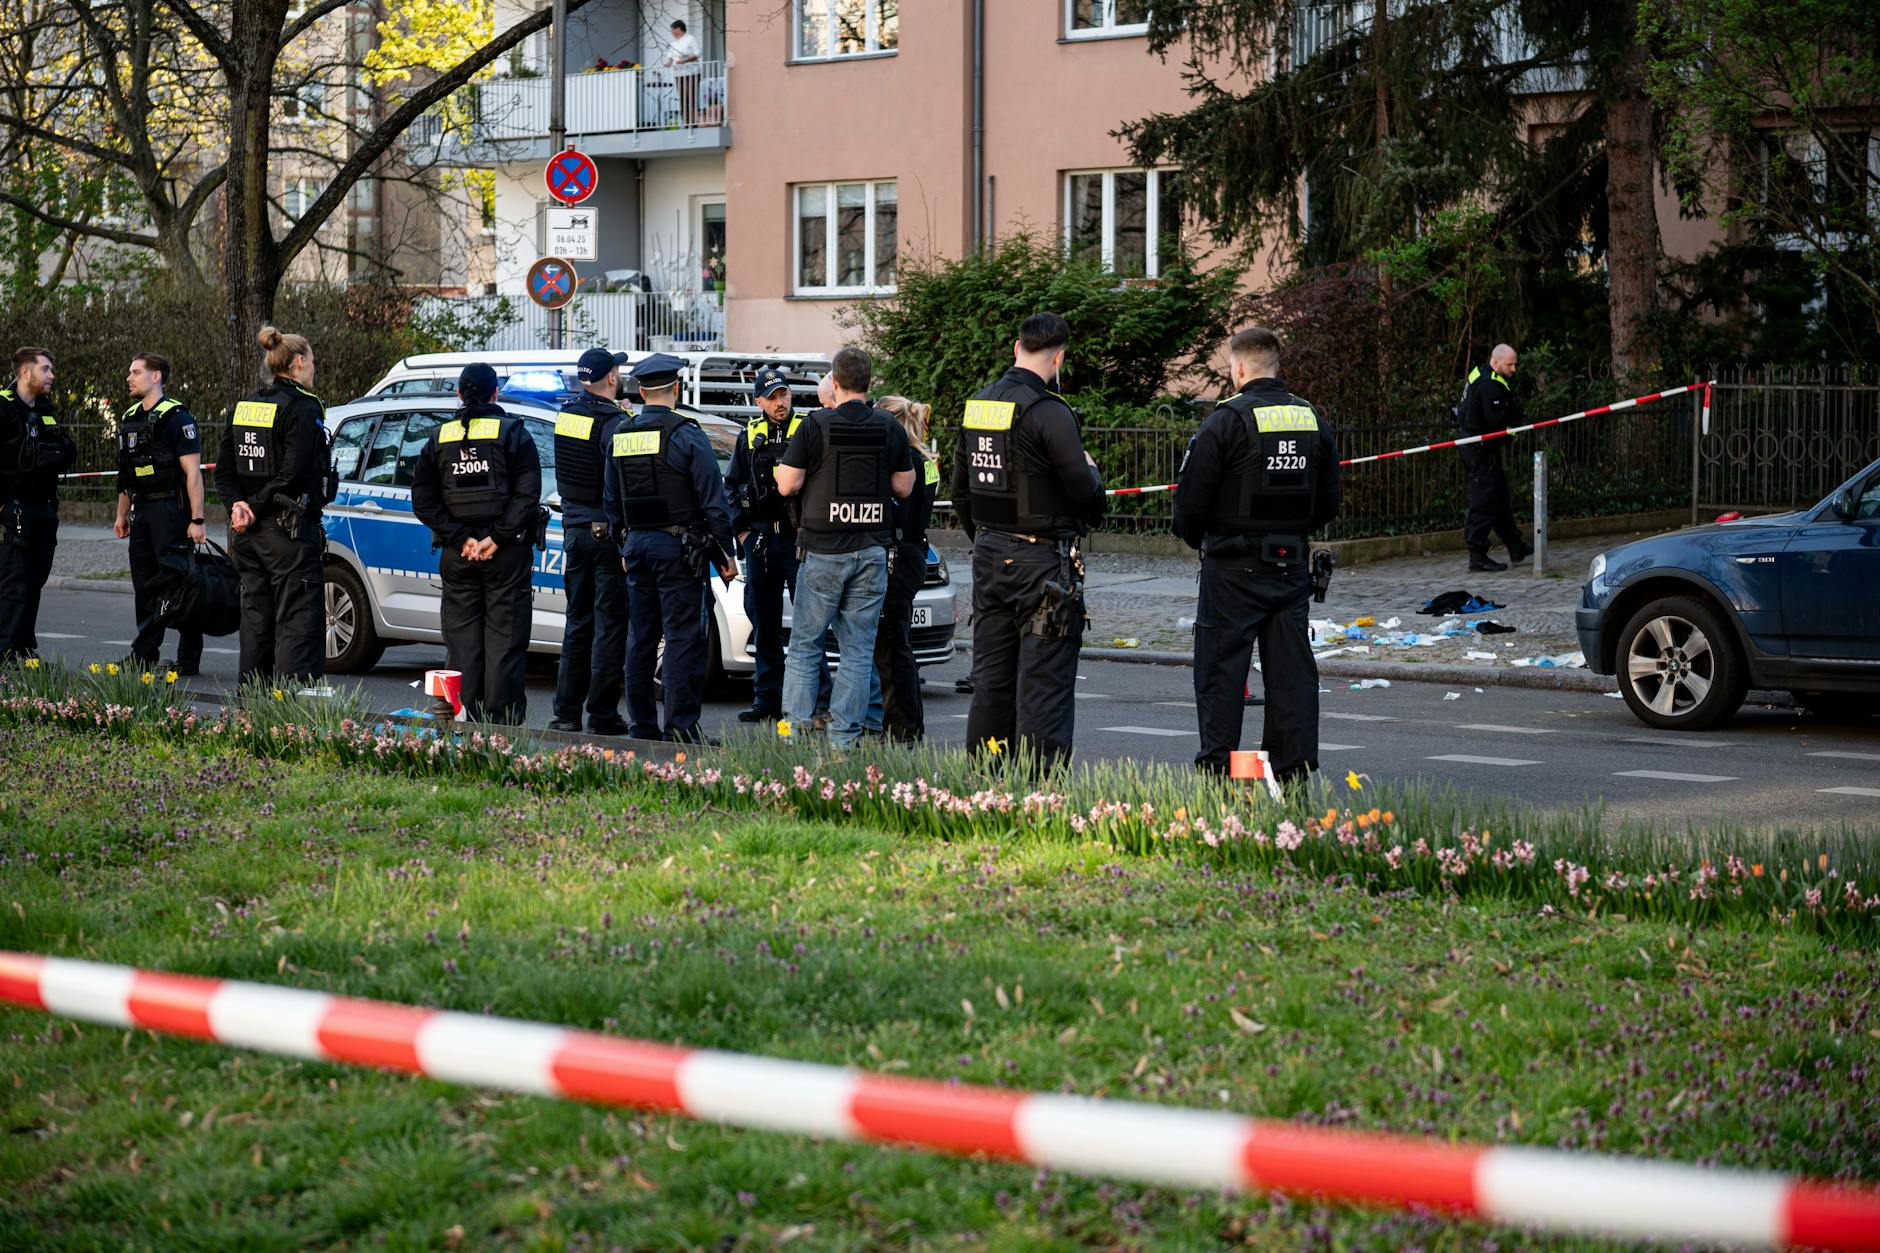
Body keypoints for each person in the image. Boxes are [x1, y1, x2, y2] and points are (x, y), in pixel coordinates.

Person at [1173, 327, 1342, 784]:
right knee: (1292, 680)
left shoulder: (1225, 421)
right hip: (1290, 566)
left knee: (1221, 677)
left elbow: (1189, 505)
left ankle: (1218, 777)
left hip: (1231, 568)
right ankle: (1291, 778)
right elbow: (1328, 502)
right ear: (1277, 365)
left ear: (1240, 367)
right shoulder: (1312, 420)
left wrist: (1204, 541)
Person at [951, 313, 1105, 773]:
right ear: (1058, 358)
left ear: (1017, 348)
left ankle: (984, 784)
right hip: (1043, 567)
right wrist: (1092, 471)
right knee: (1044, 685)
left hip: (989, 557)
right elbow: (1088, 498)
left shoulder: (978, 405)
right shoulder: (1050, 412)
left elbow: (962, 491)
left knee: (991, 683)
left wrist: (985, 539)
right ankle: (1039, 793)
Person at [774, 347, 914, 749]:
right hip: (871, 551)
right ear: (870, 384)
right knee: (857, 651)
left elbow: (787, 485)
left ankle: (794, 740)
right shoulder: (889, 427)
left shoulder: (816, 425)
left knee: (805, 646)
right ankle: (844, 742)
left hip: (822, 551)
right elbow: (904, 487)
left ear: (834, 383)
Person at [605, 353, 738, 743]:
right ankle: (680, 728)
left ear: (642, 392)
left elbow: (611, 500)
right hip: (679, 549)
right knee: (682, 637)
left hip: (638, 547)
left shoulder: (622, 435)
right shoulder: (686, 434)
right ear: (676, 389)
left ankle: (642, 725)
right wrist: (726, 554)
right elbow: (713, 500)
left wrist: (623, 547)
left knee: (641, 637)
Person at [412, 363, 543, 724]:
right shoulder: (514, 433)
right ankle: (501, 730)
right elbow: (527, 494)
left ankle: (459, 722)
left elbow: (423, 499)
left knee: (462, 644)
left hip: (458, 555)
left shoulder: (439, 437)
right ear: (495, 393)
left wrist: (461, 538)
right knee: (505, 642)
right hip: (505, 555)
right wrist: (496, 538)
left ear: (459, 394)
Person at [216, 326, 334, 685]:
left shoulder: (246, 405)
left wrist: (238, 506)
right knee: (298, 626)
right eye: (312, 361)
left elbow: (224, 470)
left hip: (248, 537)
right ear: (298, 363)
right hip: (289, 535)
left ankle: (252, 712)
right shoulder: (303, 407)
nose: (314, 367)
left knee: (256, 625)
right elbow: (293, 472)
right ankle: (293, 720)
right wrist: (254, 505)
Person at [549, 347, 632, 734]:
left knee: (577, 623)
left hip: (574, 531)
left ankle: (566, 714)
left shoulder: (567, 415)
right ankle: (601, 714)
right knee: (609, 627)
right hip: (605, 535)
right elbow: (618, 484)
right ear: (612, 378)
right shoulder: (615, 422)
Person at [114, 352, 206, 675]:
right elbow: (125, 476)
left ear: (156, 377)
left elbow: (193, 474)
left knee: (178, 583)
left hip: (171, 510)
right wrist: (121, 515)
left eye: (136, 372)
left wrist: (197, 520)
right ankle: (146, 653)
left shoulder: (177, 418)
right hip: (142, 511)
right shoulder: (130, 418)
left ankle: (188, 656)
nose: (130, 377)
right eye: (130, 371)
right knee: (144, 584)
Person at [725, 365, 807, 724]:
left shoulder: (807, 429)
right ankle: (767, 699)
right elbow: (731, 488)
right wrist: (743, 535)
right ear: (758, 401)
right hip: (760, 540)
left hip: (796, 540)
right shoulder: (750, 435)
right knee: (765, 622)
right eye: (772, 397)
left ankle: (815, 701)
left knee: (807, 624)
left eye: (784, 394)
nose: (780, 403)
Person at [0, 347, 76, 662]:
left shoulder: (46, 409)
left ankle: (23, 647)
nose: (51, 375)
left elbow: (67, 451)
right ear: (25, 372)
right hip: (13, 507)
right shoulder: (3, 408)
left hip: (43, 507)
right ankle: (4, 651)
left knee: (34, 581)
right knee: (13, 581)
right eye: (45, 369)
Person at [874, 395, 937, 743]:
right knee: (898, 646)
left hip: (898, 555)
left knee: (891, 647)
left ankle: (901, 728)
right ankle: (907, 725)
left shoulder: (905, 461)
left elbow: (897, 511)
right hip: (914, 553)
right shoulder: (923, 457)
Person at [1456, 343, 1533, 572]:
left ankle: (1515, 545)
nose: (1513, 369)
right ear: (1496, 362)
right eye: (1510, 364)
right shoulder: (1489, 385)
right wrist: (1512, 433)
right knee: (1484, 500)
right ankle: (1477, 556)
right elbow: (1496, 423)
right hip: (1480, 449)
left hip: (1480, 446)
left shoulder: (1480, 373)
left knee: (1499, 496)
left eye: (1514, 364)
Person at [663, 19, 702, 125]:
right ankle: (686, 122)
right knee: (683, 97)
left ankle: (695, 121)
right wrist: (667, 64)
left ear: (679, 28)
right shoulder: (673, 44)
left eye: (673, 29)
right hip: (679, 74)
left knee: (691, 96)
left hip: (692, 72)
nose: (672, 32)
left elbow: (698, 53)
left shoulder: (690, 38)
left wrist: (685, 60)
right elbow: (670, 58)